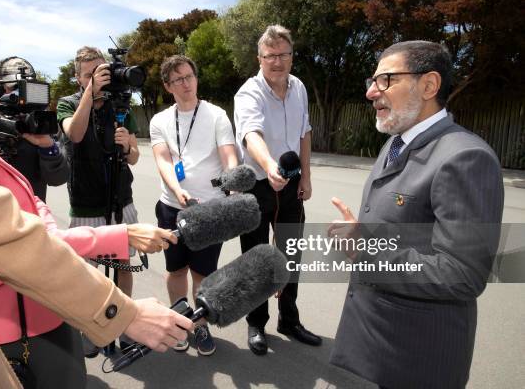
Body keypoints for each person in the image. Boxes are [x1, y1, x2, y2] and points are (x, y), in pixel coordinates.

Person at [0, 42, 184, 389]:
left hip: (48, 311)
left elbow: (32, 196)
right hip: (21, 330)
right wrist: (122, 237)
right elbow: (17, 239)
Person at [328, 41, 504, 389]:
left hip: (414, 360)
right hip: (372, 348)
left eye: (386, 80)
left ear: (428, 85)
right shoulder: (393, 145)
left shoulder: (465, 158)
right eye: (372, 81)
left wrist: (364, 249)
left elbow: (462, 273)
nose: (371, 92)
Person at [233, 24, 321, 356]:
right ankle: (256, 324)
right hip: (258, 185)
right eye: (270, 55)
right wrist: (269, 165)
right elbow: (250, 134)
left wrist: (306, 177)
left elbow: (304, 135)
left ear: (291, 56)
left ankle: (289, 320)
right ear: (260, 58)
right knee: (257, 260)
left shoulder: (299, 88)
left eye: (284, 54)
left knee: (291, 256)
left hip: (292, 185)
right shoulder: (248, 92)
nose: (277, 61)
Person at [149, 54, 238, 356]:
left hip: (210, 209)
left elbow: (228, 154)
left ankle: (199, 325)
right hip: (171, 207)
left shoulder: (217, 115)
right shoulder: (159, 120)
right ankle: (179, 321)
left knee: (202, 274)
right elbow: (162, 160)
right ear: (168, 86)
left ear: (196, 78)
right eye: (178, 80)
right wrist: (177, 191)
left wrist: (234, 180)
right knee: (176, 270)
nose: (186, 84)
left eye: (189, 76)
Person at [57, 46, 140, 356]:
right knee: (89, 272)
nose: (96, 78)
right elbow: (75, 134)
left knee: (123, 265)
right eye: (88, 74)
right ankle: (91, 327)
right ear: (79, 78)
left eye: (99, 71)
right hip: (86, 202)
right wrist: (91, 94)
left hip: (120, 200)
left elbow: (133, 156)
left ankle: (125, 323)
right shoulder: (69, 104)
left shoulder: (120, 105)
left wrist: (128, 147)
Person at [0, 56, 69, 202]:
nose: (20, 92)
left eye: (26, 86)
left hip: (34, 216)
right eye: (14, 87)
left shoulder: (40, 123)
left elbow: (58, 179)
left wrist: (48, 147)